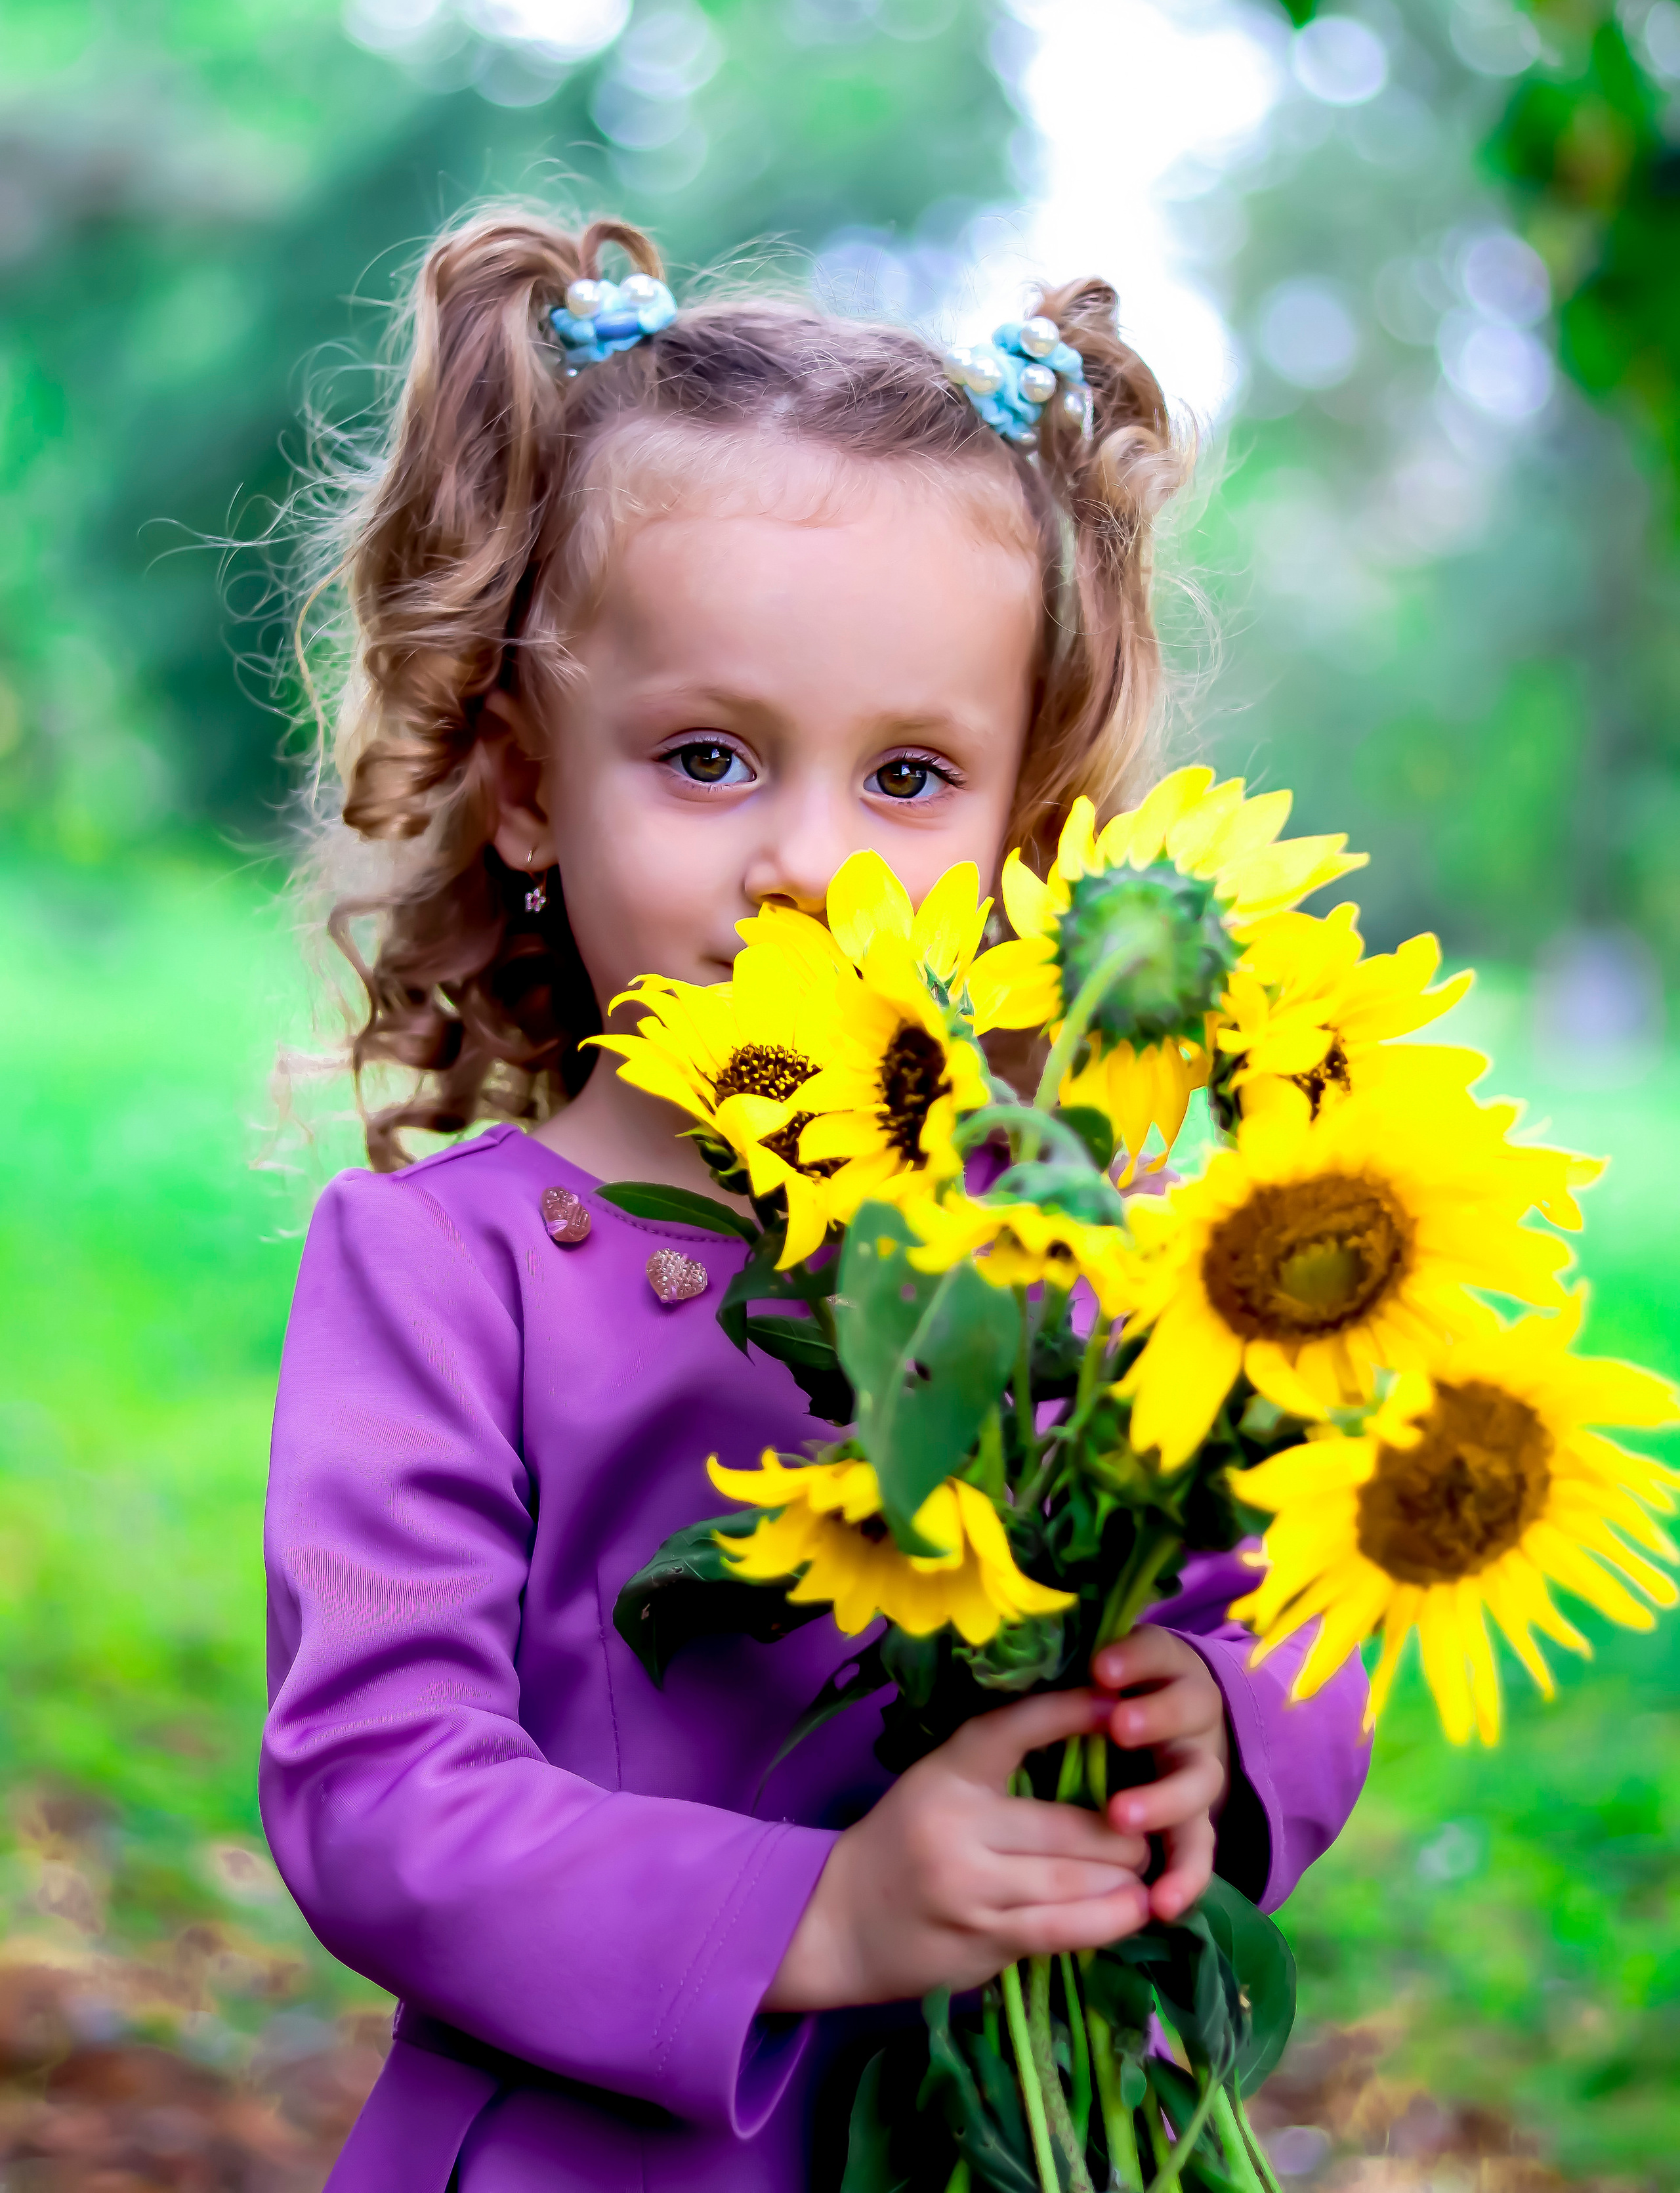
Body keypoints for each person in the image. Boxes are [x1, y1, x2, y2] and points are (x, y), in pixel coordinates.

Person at [261, 209, 1370, 2192]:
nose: (808, 866)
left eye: (911, 780)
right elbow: (374, 1786)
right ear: (526, 785)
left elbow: (1277, 1575)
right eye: (706, 758)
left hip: (1019, 2126)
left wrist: (1219, 1712)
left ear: (1027, 817)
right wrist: (817, 1917)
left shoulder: (1069, 1240)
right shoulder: (449, 1273)